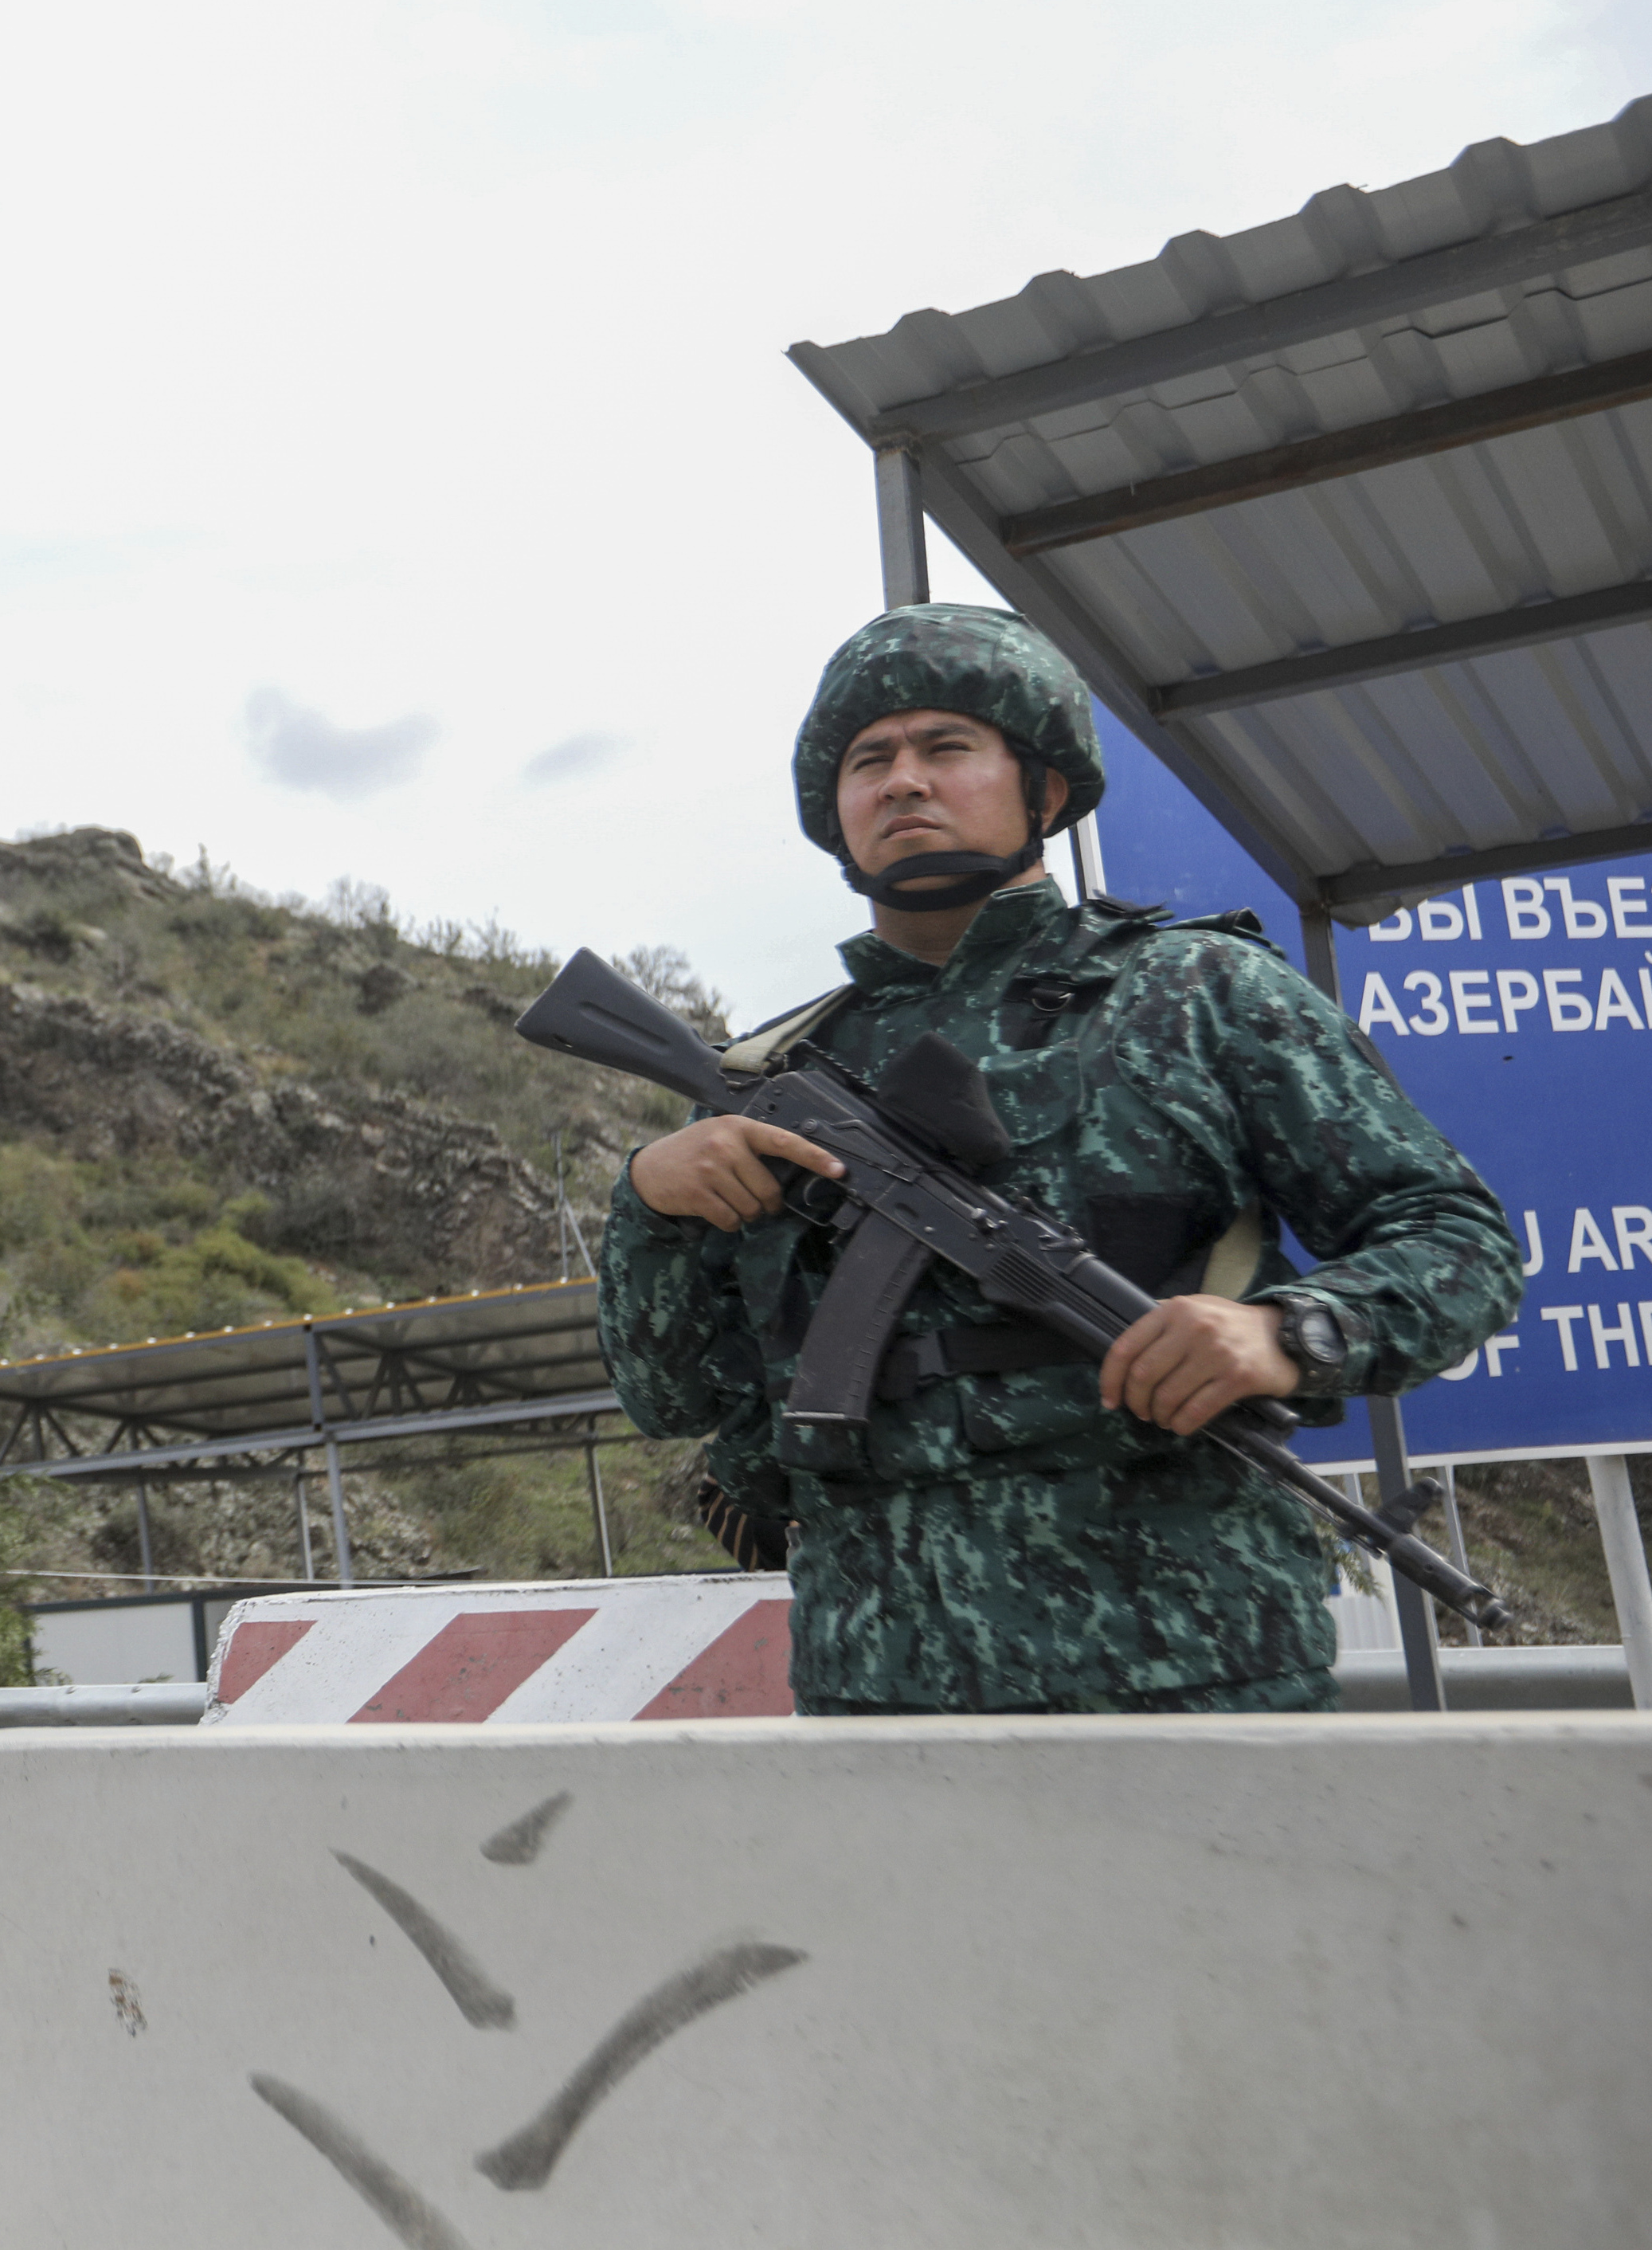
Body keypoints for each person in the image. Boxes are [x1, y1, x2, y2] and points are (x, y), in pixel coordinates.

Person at [601, 605, 1521, 1715]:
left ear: (1042, 786)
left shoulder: (1197, 993)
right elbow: (669, 1395)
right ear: (834, 808)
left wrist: (1288, 1331)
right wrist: (650, 1201)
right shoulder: (782, 1067)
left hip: (1188, 1660)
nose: (903, 782)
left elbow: (1458, 1239)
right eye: (870, 759)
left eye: (948, 747)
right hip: (879, 1681)